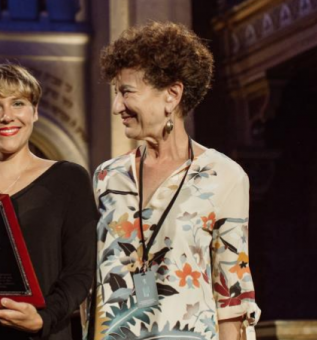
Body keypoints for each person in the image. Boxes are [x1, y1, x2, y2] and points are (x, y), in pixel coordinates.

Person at [91, 23, 260, 340]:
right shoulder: (107, 177)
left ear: (172, 94)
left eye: (126, 92)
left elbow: (232, 296)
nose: (117, 107)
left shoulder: (224, 176)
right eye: (116, 93)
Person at [0, 64, 97, 340]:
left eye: (18, 103)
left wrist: (43, 318)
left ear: (34, 112)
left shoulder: (68, 179)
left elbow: (81, 270)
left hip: (43, 333)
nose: (7, 116)